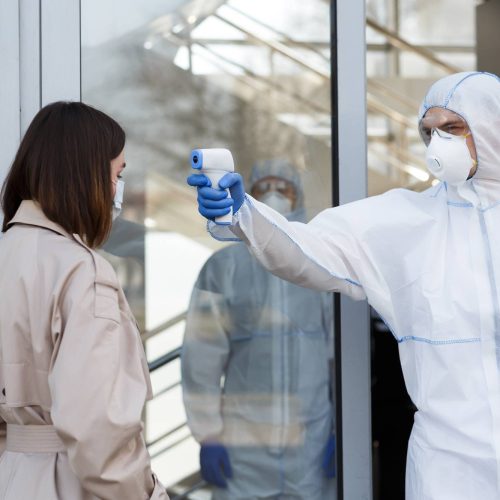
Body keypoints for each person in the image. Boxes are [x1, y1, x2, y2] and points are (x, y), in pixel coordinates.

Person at [188, 71, 500, 500]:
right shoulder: (407, 221)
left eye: (452, 128)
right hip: (450, 467)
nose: (437, 143)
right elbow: (310, 250)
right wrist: (242, 213)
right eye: (429, 132)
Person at [0, 101, 168, 499]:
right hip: (67, 483)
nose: (117, 188)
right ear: (87, 173)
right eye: (117, 173)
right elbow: (100, 437)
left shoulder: (8, 252)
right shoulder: (81, 272)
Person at [182, 160, 336, 500]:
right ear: (249, 194)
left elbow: (338, 355)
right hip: (243, 445)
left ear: (298, 198)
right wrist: (209, 436)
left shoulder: (317, 261)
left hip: (310, 440)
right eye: (264, 187)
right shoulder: (224, 267)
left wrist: (341, 426)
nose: (274, 195)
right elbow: (201, 359)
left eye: (284, 188)